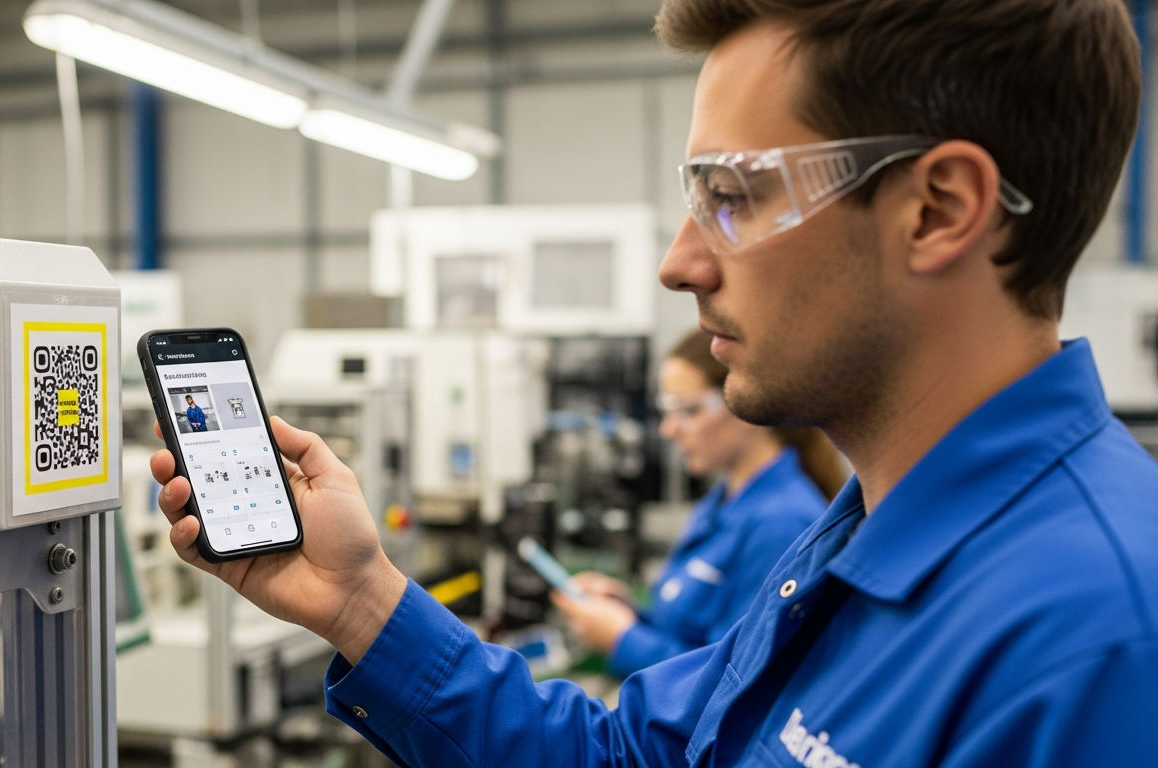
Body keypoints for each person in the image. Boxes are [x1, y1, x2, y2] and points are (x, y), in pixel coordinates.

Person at [149, 0, 1158, 764]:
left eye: (731, 196)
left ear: (938, 209)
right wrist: (359, 601)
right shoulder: (856, 537)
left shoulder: (1100, 646)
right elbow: (644, 756)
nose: (679, 263)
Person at [552, 331, 844, 678]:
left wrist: (622, 639)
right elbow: (694, 634)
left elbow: (733, 681)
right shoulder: (724, 497)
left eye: (688, 410)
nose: (669, 429)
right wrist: (628, 611)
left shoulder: (782, 524)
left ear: (745, 401)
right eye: (667, 410)